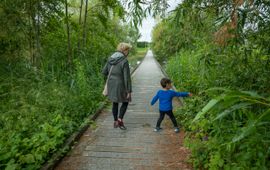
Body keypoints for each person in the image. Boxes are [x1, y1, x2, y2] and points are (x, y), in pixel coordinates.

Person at [102, 42, 132, 130]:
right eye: (128, 50)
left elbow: (104, 72)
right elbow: (127, 77)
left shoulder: (110, 58)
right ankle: (120, 119)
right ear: (124, 50)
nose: (128, 52)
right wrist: (129, 91)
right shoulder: (124, 60)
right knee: (126, 101)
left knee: (115, 102)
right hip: (121, 84)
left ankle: (115, 121)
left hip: (111, 84)